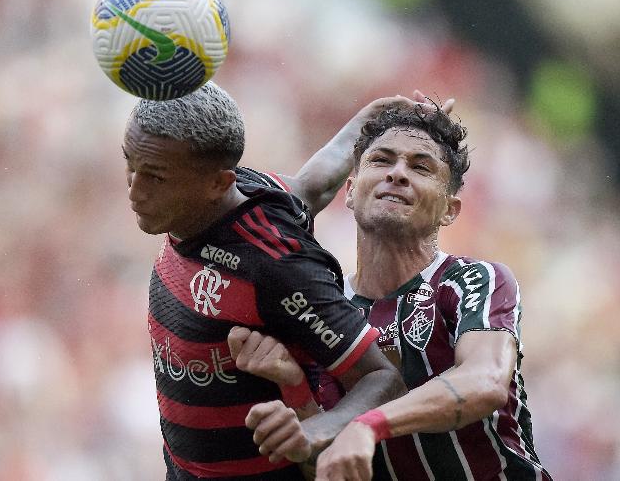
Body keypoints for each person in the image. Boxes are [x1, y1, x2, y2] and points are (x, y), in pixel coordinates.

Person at [233, 102, 553, 480]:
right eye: (382, 160)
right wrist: (294, 386)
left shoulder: (472, 279)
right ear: (350, 192)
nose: (397, 174)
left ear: (449, 210)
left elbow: (485, 382)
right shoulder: (323, 309)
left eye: (420, 167)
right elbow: (325, 464)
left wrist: (368, 424)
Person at [123, 81, 410, 480]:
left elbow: (385, 378)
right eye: (130, 165)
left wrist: (315, 432)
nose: (134, 190)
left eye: (154, 177)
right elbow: (312, 186)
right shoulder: (240, 190)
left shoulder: (275, 265)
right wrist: (371, 118)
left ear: (218, 184)